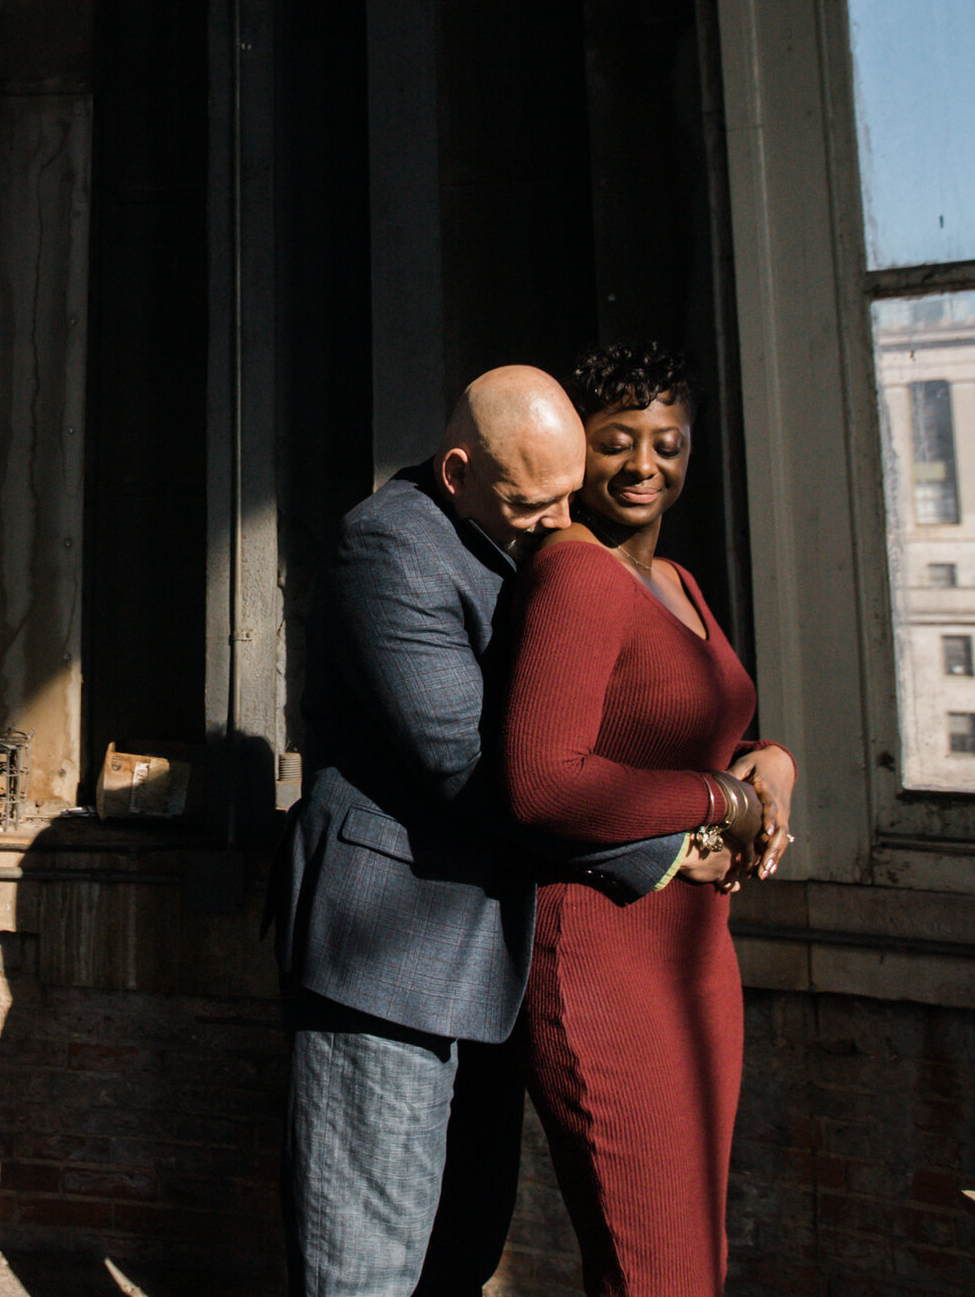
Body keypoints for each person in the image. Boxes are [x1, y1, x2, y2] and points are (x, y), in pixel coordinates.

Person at [273, 366, 703, 1297]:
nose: (557, 524)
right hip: (385, 962)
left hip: (490, 959)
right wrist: (673, 842)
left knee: (458, 1254)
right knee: (365, 1269)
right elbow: (478, 769)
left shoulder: (508, 527)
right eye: (530, 502)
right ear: (458, 466)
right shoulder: (386, 550)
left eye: (563, 497)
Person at [493, 343, 796, 1297]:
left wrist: (772, 764)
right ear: (579, 451)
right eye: (617, 441)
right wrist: (724, 800)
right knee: (652, 1271)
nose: (644, 465)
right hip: (602, 962)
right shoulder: (575, 577)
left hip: (697, 960)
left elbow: (695, 727)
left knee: (693, 1263)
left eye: (668, 443)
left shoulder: (679, 582)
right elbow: (541, 780)